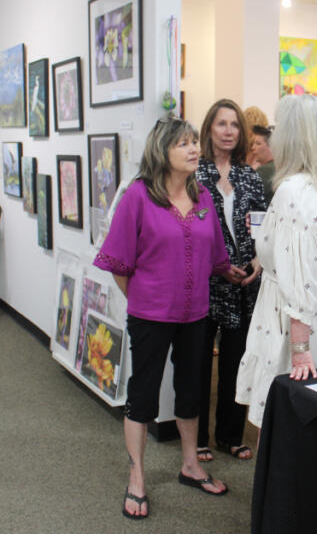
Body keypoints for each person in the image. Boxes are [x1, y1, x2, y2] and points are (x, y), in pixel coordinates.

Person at [94, 117, 236, 519]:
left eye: (195, 143)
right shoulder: (139, 197)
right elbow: (118, 262)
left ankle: (190, 466)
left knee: (192, 390)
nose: (194, 150)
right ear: (162, 151)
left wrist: (233, 271)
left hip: (196, 315)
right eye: (184, 144)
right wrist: (142, 299)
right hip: (151, 315)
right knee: (144, 394)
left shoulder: (204, 196)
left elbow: (217, 254)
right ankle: (136, 476)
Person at [235, 94, 317, 425]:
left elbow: (299, 277)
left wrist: (300, 349)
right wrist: (267, 248)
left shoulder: (294, 190)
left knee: (285, 419)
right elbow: (313, 251)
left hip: (295, 318)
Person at [195, 99, 267, 462]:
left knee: (237, 361)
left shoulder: (249, 176)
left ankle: (230, 435)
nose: (228, 131)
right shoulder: (194, 176)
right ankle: (198, 439)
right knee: (198, 364)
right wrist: (218, 265)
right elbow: (187, 234)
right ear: (209, 129)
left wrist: (258, 260)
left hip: (244, 283)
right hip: (204, 284)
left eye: (234, 125)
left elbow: (262, 227)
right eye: (221, 124)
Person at [249, 125, 275, 205]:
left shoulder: (264, 171)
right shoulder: (279, 167)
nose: (253, 147)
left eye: (258, 144)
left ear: (271, 147)